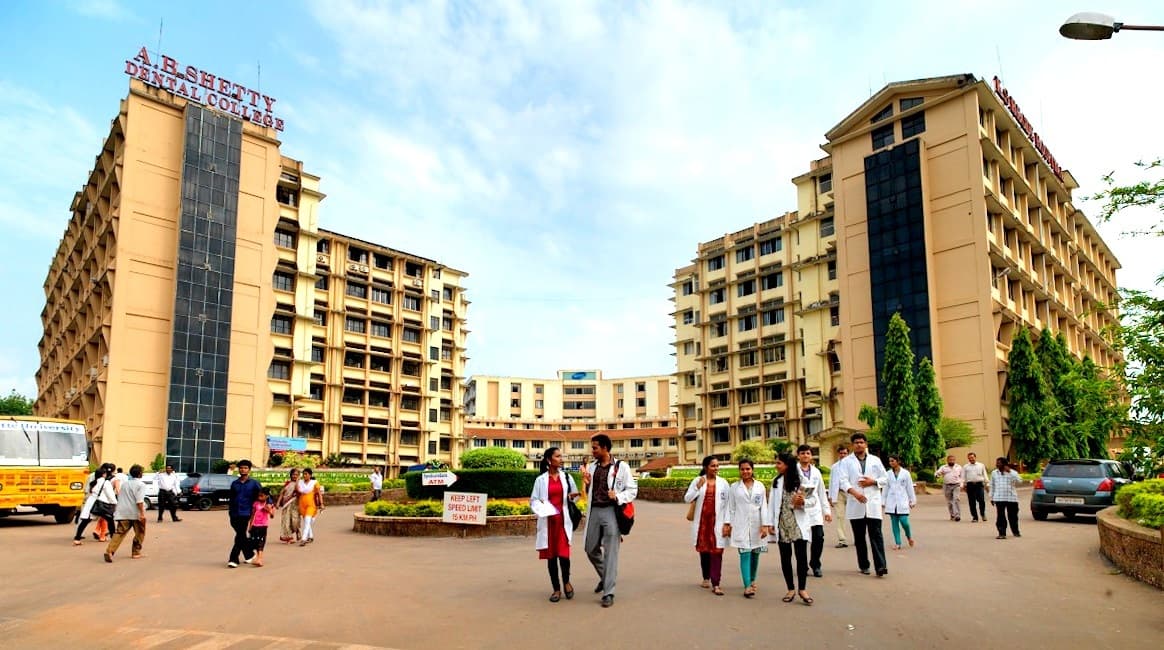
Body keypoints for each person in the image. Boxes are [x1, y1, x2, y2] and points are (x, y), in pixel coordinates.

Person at [581, 433, 637, 608]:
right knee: (590, 548)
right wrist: (586, 483)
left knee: (611, 552)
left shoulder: (622, 467)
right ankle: (606, 578)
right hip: (594, 511)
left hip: (611, 511)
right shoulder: (592, 467)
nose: (592, 451)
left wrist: (618, 496)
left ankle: (609, 592)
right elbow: (588, 490)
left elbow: (632, 490)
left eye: (595, 447)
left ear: (605, 448)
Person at [530, 447, 580, 603]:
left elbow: (575, 497)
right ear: (549, 460)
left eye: (561, 456)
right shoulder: (540, 480)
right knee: (551, 557)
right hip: (548, 523)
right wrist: (543, 508)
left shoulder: (567, 477)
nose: (561, 458)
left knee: (564, 555)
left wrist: (573, 497)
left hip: (563, 522)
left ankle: (567, 582)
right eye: (558, 456)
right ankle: (556, 589)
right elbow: (534, 501)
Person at [835, 433, 889, 576]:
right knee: (859, 537)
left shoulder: (875, 460)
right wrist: (855, 493)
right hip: (855, 503)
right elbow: (843, 481)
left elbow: (885, 478)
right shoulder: (846, 462)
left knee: (876, 536)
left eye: (861, 442)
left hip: (873, 503)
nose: (859, 444)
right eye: (856, 442)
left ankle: (881, 566)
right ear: (852, 445)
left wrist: (873, 482)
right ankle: (864, 564)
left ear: (866, 444)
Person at [772, 452, 821, 605]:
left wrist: (803, 502)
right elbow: (771, 506)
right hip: (782, 525)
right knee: (785, 558)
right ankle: (790, 588)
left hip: (798, 524)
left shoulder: (801, 480)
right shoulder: (776, 481)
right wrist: (769, 524)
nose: (776, 466)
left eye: (779, 463)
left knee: (801, 558)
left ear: (787, 465)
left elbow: (814, 499)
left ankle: (802, 589)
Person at [723, 458, 771, 598]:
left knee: (755, 554)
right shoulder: (734, 487)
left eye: (748, 469)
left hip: (757, 526)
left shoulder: (760, 486)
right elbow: (730, 508)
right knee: (745, 554)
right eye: (742, 469)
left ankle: (752, 580)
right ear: (739, 470)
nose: (745, 471)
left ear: (752, 470)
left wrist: (765, 525)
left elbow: (764, 507)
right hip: (740, 525)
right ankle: (747, 586)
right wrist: (728, 524)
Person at [684, 455, 729, 596]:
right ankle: (706, 577)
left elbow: (728, 505)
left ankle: (716, 583)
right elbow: (687, 498)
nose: (716, 468)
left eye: (717, 466)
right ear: (705, 467)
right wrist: (697, 487)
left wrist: (727, 523)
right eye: (713, 466)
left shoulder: (723, 483)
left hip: (718, 522)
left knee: (717, 551)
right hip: (703, 522)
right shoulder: (698, 480)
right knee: (704, 550)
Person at [794, 444, 832, 578]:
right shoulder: (793, 471)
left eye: (808, 453)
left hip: (814, 509)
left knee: (819, 537)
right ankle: (802, 566)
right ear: (798, 455)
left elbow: (821, 492)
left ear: (811, 456)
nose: (805, 455)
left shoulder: (816, 472)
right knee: (801, 540)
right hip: (800, 510)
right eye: (803, 453)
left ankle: (815, 564)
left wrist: (826, 511)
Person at [104, 464, 146, 562]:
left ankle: (110, 551)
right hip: (135, 513)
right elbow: (139, 501)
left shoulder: (125, 484)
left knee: (119, 533)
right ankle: (136, 552)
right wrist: (142, 514)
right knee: (140, 532)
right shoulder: (141, 485)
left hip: (123, 512)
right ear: (140, 474)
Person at [226, 459, 262, 568]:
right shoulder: (234, 483)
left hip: (246, 513)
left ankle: (233, 559)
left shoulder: (254, 483)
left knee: (240, 534)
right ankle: (249, 554)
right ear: (239, 469)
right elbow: (231, 498)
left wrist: (268, 506)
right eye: (241, 467)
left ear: (249, 470)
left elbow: (262, 495)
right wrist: (230, 511)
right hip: (234, 513)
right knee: (241, 535)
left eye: (245, 468)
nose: (243, 469)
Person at [74, 465, 116, 546]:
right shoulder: (105, 482)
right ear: (103, 474)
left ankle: (77, 538)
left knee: (85, 521)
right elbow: (110, 495)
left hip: (91, 503)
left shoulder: (93, 482)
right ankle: (113, 537)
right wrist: (114, 502)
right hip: (101, 504)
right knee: (110, 519)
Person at [883, 455, 917, 550]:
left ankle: (909, 536)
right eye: (889, 461)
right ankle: (898, 543)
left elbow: (909, 488)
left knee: (904, 521)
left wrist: (912, 500)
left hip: (902, 501)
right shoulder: (888, 474)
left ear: (898, 461)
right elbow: (885, 488)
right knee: (894, 523)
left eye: (893, 461)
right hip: (891, 501)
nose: (891, 463)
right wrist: (883, 501)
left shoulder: (905, 473)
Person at [990, 458, 1022, 539]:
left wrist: (1010, 472)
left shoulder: (1012, 472)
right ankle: (1002, 533)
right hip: (999, 498)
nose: (997, 464)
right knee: (1000, 516)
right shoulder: (994, 473)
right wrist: (992, 497)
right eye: (996, 463)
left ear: (1004, 464)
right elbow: (992, 485)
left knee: (1013, 516)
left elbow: (1020, 481)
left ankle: (1016, 531)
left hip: (1011, 498)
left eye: (999, 463)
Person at [828, 445, 850, 548]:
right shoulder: (834, 467)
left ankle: (859, 538)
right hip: (838, 493)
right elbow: (832, 481)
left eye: (845, 453)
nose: (843, 455)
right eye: (841, 453)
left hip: (851, 493)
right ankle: (842, 540)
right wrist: (830, 496)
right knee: (840, 516)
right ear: (838, 454)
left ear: (848, 454)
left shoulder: (853, 465)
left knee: (855, 517)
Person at [247, 490, 275, 567]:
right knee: (254, 542)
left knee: (261, 542)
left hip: (263, 525)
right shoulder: (256, 504)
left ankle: (260, 559)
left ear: (267, 496)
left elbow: (272, 515)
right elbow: (252, 515)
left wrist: (268, 510)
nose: (259, 497)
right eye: (259, 496)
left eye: (262, 496)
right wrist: (250, 526)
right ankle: (258, 558)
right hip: (255, 525)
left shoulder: (269, 505)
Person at [297, 468, 324, 546]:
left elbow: (319, 494)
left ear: (310, 475)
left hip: (311, 505)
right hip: (302, 504)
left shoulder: (314, 483)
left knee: (308, 521)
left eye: (306, 474)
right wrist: (297, 480)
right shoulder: (300, 482)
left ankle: (304, 539)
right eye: (303, 474)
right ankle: (311, 536)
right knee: (306, 522)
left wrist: (321, 503)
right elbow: (297, 490)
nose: (304, 475)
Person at [935, 455, 964, 521]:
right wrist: (937, 475)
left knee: (956, 499)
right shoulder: (943, 467)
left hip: (956, 485)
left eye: (953, 460)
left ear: (955, 460)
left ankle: (957, 515)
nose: (951, 461)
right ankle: (952, 515)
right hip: (947, 486)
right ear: (947, 460)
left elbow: (962, 477)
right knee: (950, 501)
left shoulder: (958, 467)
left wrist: (961, 484)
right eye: (950, 460)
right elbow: (937, 473)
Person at [277, 468, 302, 544]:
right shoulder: (287, 483)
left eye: (297, 475)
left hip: (296, 505)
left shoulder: (301, 484)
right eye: (293, 474)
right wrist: (278, 503)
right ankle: (289, 537)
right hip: (286, 505)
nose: (295, 476)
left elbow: (300, 492)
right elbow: (282, 493)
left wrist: (298, 482)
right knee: (286, 521)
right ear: (290, 475)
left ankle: (297, 530)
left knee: (295, 521)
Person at [962, 452, 989, 523]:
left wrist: (987, 484)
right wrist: (963, 485)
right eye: (969, 458)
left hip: (979, 484)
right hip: (970, 485)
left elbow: (985, 474)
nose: (971, 459)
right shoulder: (965, 466)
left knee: (981, 500)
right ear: (968, 458)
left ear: (975, 457)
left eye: (972, 457)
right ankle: (975, 517)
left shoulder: (981, 465)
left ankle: (983, 514)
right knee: (972, 502)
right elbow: (963, 477)